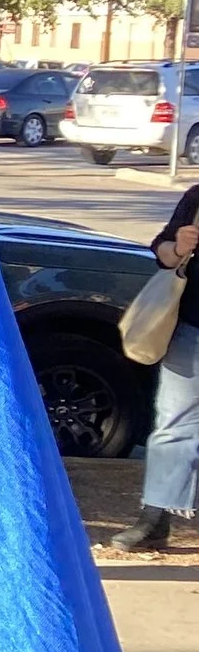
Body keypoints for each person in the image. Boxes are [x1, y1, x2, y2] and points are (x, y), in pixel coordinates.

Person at [114, 186, 199, 553]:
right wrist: (179, 248)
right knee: (173, 425)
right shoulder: (198, 197)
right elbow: (162, 252)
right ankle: (155, 517)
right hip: (193, 329)